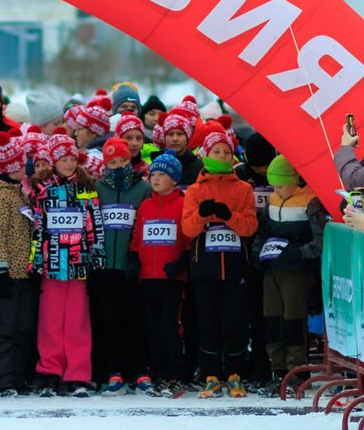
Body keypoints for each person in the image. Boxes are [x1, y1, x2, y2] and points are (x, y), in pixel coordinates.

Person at [181, 128, 259, 396]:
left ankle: (235, 373)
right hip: (205, 267)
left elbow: (250, 227)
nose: (223, 156)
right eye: (217, 152)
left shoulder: (244, 188)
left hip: (236, 265)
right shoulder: (194, 189)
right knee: (207, 320)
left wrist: (230, 217)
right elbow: (188, 229)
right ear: (206, 154)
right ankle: (210, 374)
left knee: (237, 321)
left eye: (227, 152)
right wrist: (202, 216)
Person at [30, 135, 98, 396]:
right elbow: (37, 227)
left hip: (79, 263)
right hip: (51, 264)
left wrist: (96, 252)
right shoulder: (42, 189)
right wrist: (36, 260)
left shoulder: (85, 187)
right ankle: (49, 372)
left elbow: (94, 223)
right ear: (54, 161)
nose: (69, 164)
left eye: (72, 159)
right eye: (63, 159)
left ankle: (78, 375)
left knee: (77, 322)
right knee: (50, 322)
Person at [255, 155, 328, 383]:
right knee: (272, 317)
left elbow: (321, 238)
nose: (277, 190)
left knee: (293, 318)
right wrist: (257, 253)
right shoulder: (273, 201)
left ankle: (296, 367)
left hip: (296, 270)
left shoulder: (309, 201)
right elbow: (263, 231)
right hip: (273, 268)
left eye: (281, 185)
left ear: (293, 180)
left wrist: (299, 254)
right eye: (274, 185)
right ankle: (276, 365)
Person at [86, 137, 145, 393]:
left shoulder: (142, 188)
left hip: (131, 265)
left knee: (134, 318)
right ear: (105, 163)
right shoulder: (98, 187)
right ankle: (113, 371)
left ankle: (139, 370)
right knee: (108, 320)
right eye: (112, 161)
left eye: (122, 160)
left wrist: (136, 256)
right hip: (105, 267)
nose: (119, 165)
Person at [0, 137, 40, 395]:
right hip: (8, 276)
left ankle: (17, 377)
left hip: (24, 273)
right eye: (19, 165)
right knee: (4, 330)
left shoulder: (20, 194)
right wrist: (1, 269)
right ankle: (1, 380)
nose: (23, 169)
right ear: (5, 169)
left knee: (23, 329)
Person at [133, 153, 187, 392]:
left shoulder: (182, 204)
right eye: (152, 174)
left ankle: (176, 371)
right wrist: (135, 260)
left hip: (171, 279)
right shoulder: (145, 205)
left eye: (161, 175)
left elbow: (188, 241)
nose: (155, 179)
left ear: (174, 179)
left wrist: (180, 264)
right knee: (152, 326)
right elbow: (137, 238)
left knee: (169, 325)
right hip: (147, 278)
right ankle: (158, 370)